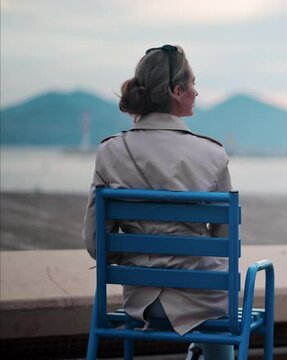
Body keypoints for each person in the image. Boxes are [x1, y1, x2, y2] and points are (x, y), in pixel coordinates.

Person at [82, 45, 234, 360]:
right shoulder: (212, 154)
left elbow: (97, 243)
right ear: (177, 91)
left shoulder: (110, 151)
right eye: (192, 84)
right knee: (218, 307)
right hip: (200, 305)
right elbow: (224, 241)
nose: (196, 92)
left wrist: (137, 252)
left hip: (140, 302)